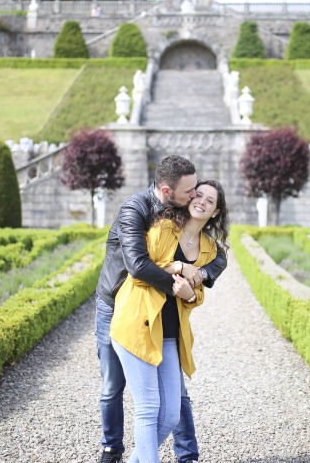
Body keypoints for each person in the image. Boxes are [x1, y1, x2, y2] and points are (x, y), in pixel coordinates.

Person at [96, 156, 227, 463]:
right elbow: (139, 266)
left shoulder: (203, 239)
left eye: (205, 196)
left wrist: (196, 286)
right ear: (169, 191)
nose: (196, 196)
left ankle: (185, 455)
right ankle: (111, 448)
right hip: (119, 304)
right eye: (192, 191)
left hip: (165, 324)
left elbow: (215, 264)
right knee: (115, 388)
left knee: (170, 408)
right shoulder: (144, 214)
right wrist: (178, 277)